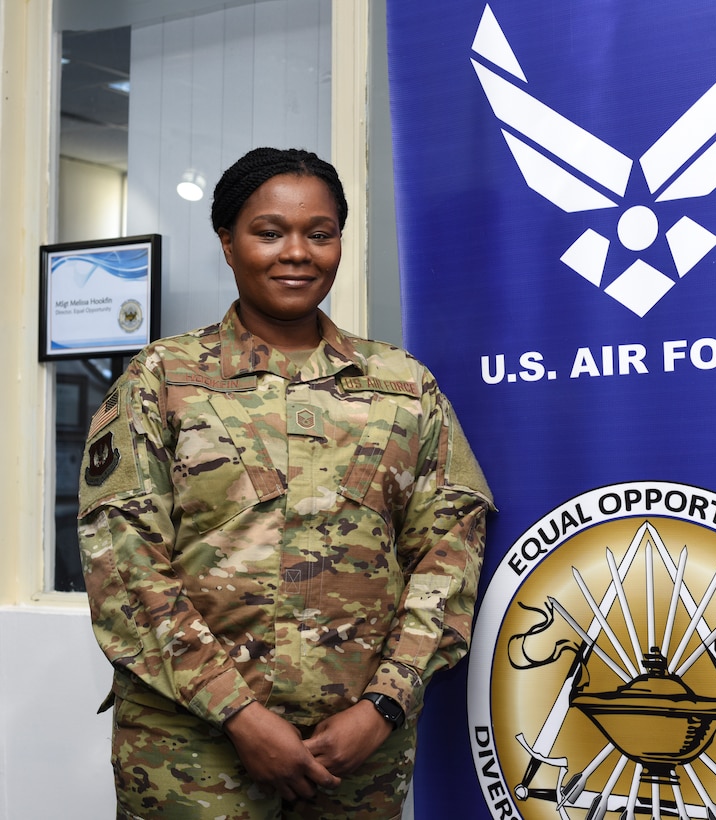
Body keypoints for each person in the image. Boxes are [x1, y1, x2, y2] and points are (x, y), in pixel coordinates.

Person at [78, 147, 493, 819]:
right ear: (227, 242)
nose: (296, 252)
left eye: (318, 233)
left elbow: (449, 553)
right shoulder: (161, 379)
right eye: (269, 231)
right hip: (192, 753)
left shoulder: (403, 387)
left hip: (357, 755)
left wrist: (385, 702)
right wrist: (237, 712)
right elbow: (124, 567)